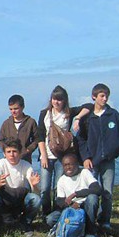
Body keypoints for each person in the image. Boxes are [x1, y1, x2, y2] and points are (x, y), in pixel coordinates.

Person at [76, 83, 119, 231]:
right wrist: (85, 157)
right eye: (102, 96)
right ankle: (88, 221)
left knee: (107, 193)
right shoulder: (87, 118)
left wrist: (113, 153)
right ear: (94, 97)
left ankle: (105, 221)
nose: (105, 99)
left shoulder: (113, 115)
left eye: (106, 96)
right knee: (90, 192)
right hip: (92, 161)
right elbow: (81, 140)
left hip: (108, 161)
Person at [37, 86, 91, 216]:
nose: (56, 102)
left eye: (60, 99)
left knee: (58, 188)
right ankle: (45, 214)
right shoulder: (44, 114)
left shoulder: (69, 113)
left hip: (63, 158)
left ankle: (57, 213)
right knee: (44, 188)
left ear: (65, 100)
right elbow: (40, 135)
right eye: (54, 99)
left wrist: (77, 118)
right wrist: (43, 155)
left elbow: (89, 106)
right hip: (47, 156)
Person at [0, 139, 41, 237]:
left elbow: (36, 194)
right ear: (4, 154)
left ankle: (25, 222)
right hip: (5, 197)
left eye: (14, 151)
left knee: (36, 200)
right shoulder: (0, 163)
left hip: (20, 198)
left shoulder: (27, 165)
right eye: (8, 152)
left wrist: (34, 185)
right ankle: (0, 222)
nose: (12, 155)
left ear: (20, 153)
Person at [46, 153, 102, 237]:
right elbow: (60, 201)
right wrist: (71, 204)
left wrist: (76, 194)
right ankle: (72, 229)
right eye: (65, 165)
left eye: (70, 164)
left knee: (92, 198)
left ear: (76, 164)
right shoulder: (62, 180)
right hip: (71, 208)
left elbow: (97, 189)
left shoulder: (84, 172)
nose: (68, 167)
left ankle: (90, 232)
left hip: (85, 205)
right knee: (50, 219)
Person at [0, 94, 38, 164]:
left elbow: (37, 139)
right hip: (9, 160)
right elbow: (0, 140)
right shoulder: (6, 123)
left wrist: (28, 150)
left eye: (16, 109)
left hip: (25, 159)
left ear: (22, 107)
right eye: (11, 109)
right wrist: (7, 151)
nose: (13, 111)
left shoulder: (30, 122)